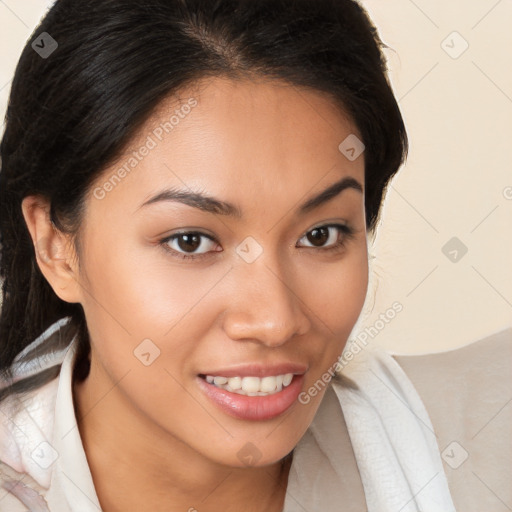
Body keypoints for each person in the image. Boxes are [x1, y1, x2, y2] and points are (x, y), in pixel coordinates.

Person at [0, 0, 510, 511]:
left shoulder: (477, 445)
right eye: (191, 242)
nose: (274, 321)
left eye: (320, 234)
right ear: (55, 245)